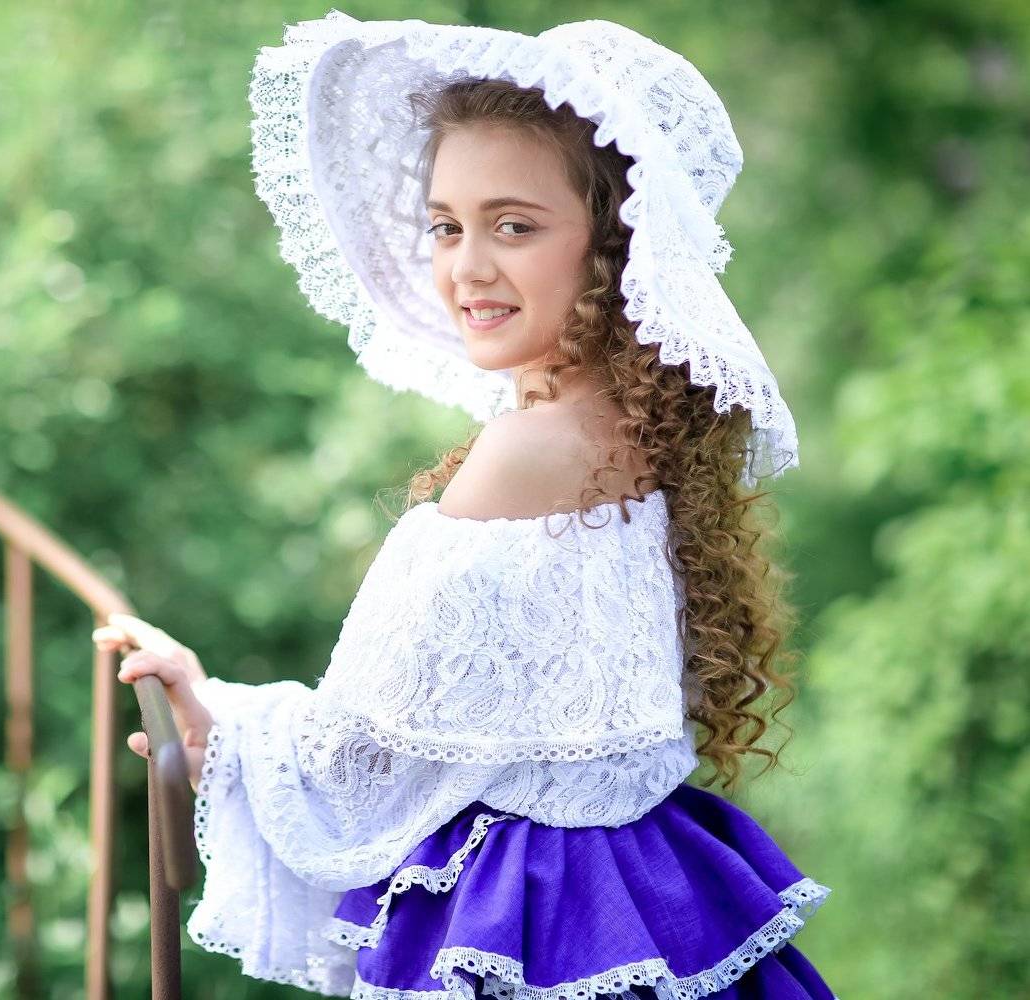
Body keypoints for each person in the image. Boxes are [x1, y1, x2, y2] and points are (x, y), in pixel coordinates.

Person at [93, 11, 837, 999]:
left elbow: (355, 760)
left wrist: (215, 719)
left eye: (514, 225)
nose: (468, 265)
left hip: (537, 919)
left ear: (612, 246)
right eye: (446, 225)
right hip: (635, 888)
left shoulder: (531, 450)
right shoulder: (631, 428)